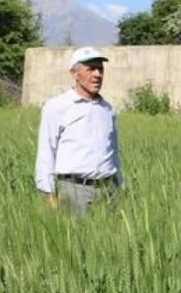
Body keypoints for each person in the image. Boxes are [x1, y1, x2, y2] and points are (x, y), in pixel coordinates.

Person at [34, 46, 125, 215]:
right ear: (74, 74)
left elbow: (113, 151)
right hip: (74, 190)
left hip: (108, 189)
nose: (97, 74)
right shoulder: (57, 107)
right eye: (91, 69)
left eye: (100, 69)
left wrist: (120, 185)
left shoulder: (107, 109)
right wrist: (48, 194)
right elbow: (46, 152)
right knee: (76, 238)